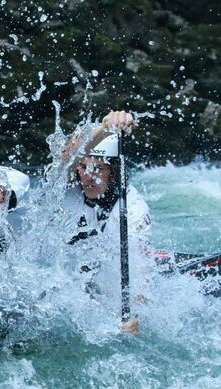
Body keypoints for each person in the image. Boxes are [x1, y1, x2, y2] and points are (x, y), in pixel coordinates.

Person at [57, 110, 152, 335]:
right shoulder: (65, 188)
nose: (88, 176)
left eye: (98, 168)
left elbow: (140, 272)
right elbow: (66, 156)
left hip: (106, 280)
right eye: (83, 167)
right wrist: (104, 127)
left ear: (114, 172)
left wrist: (134, 315)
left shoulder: (133, 208)